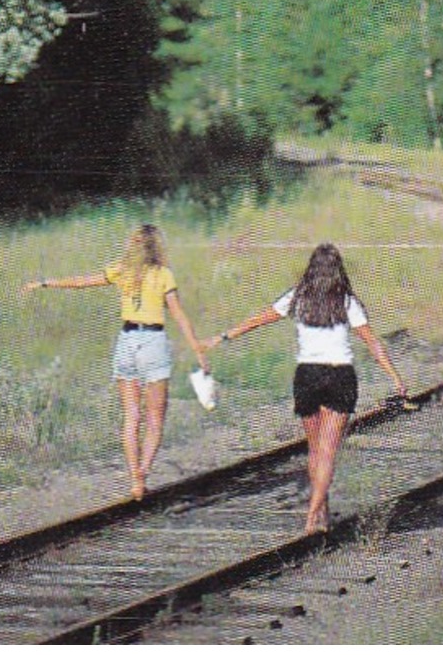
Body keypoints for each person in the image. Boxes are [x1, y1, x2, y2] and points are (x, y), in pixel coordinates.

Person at [207, 243, 406, 533]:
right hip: (340, 376)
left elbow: (258, 320)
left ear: (310, 269)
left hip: (307, 376)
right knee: (327, 451)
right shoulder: (348, 301)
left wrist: (223, 337)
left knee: (315, 450)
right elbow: (373, 343)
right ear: (339, 271)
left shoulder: (297, 297)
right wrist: (395, 377)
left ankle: (320, 512)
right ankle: (315, 510)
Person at [23, 224, 207, 501]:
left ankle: (135, 478)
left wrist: (46, 282)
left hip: (126, 341)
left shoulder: (121, 270)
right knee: (155, 419)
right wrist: (198, 349)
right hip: (152, 342)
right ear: (157, 247)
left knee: (131, 415)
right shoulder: (163, 275)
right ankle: (143, 471)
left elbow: (82, 282)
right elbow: (179, 315)